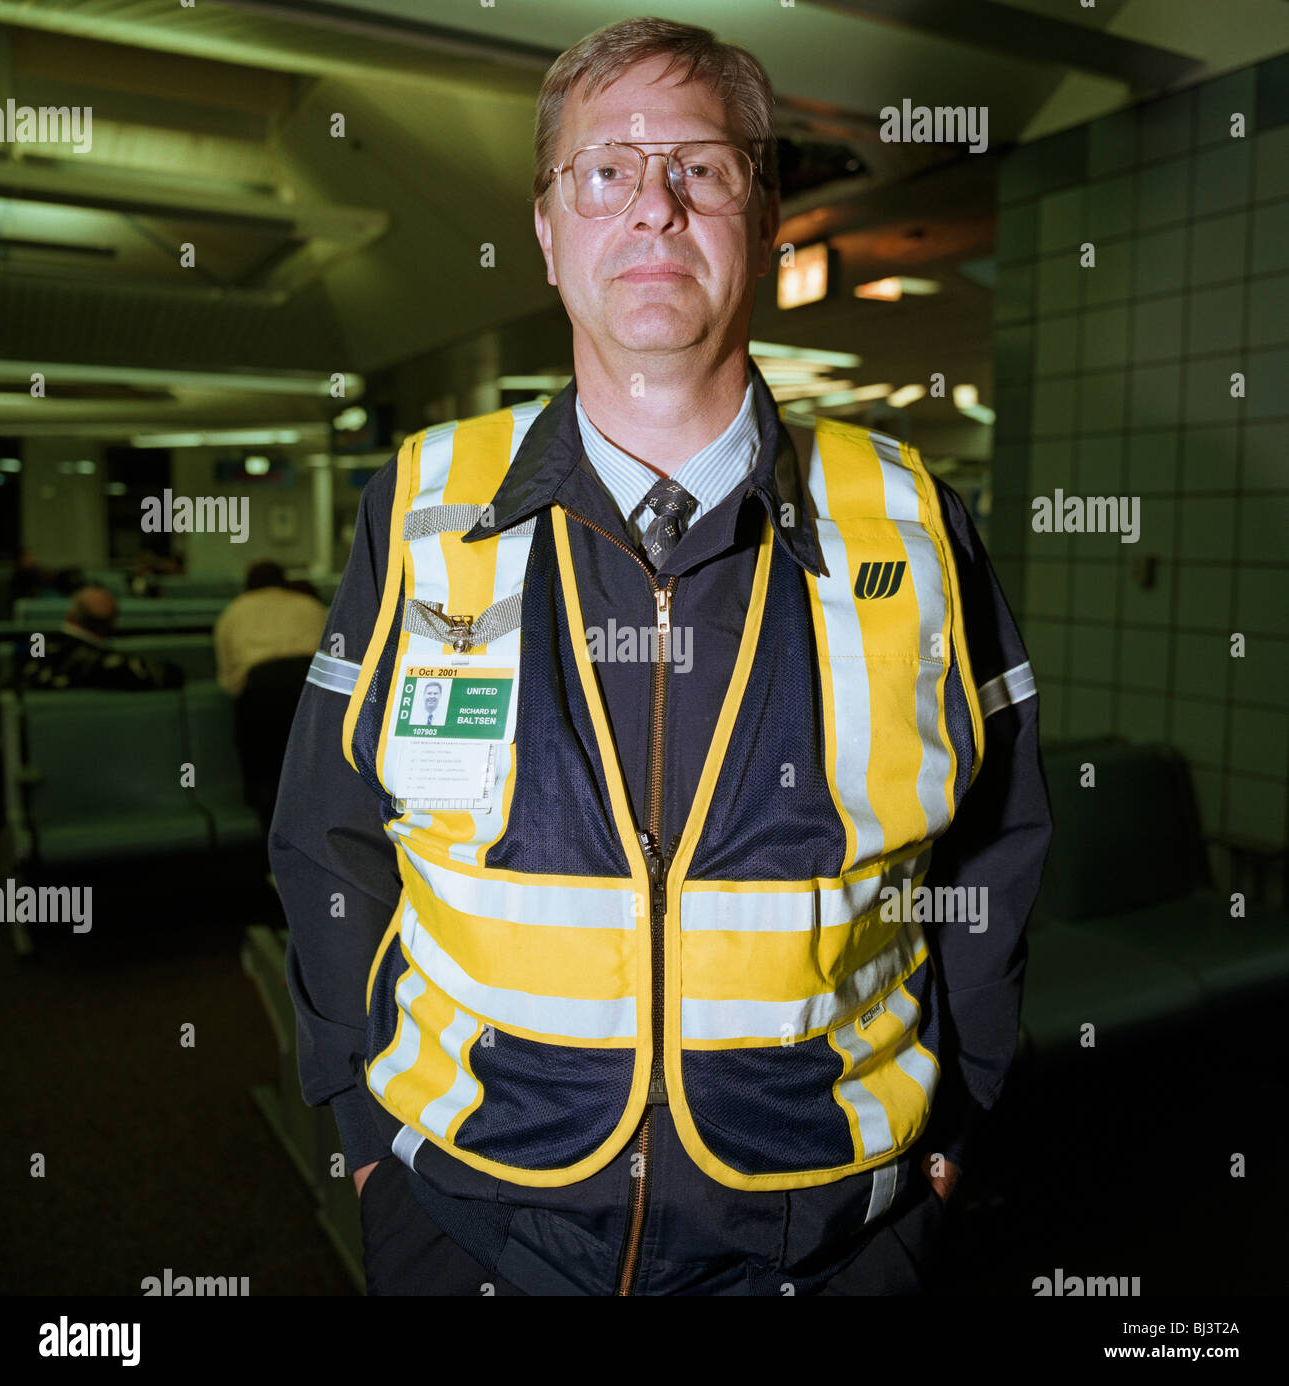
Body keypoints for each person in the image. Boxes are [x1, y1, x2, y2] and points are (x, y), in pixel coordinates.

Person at [271, 16, 1052, 1297]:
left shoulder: (908, 520)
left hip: (833, 1236)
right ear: (546, 226)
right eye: (606, 171)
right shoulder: (420, 504)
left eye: (702, 169)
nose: (654, 208)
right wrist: (364, 1139)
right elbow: (327, 833)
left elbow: (997, 844)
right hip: (478, 1224)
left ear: (766, 213)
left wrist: (954, 1122)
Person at [215, 560, 327, 837]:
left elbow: (229, 679)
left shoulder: (233, 611)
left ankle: (273, 850)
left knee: (266, 773)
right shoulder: (310, 606)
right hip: (310, 683)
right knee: (315, 767)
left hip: (262, 687)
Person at [20, 585, 183, 692]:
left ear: (69, 617)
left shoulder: (37, 643)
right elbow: (168, 675)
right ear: (112, 628)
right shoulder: (105, 664)